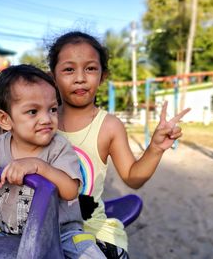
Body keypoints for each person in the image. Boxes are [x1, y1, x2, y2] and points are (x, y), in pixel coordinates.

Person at [47, 31, 190, 258]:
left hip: (91, 232)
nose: (80, 77)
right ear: (53, 76)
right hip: (42, 228)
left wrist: (155, 148)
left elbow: (133, 178)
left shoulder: (108, 126)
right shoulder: (42, 121)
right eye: (68, 69)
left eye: (90, 68)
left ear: (103, 76)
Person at [0, 64, 105, 258]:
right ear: (4, 119)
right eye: (33, 112)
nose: (46, 119)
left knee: (89, 255)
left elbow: (70, 191)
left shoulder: (59, 147)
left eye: (52, 109)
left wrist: (40, 167)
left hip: (61, 233)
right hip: (9, 233)